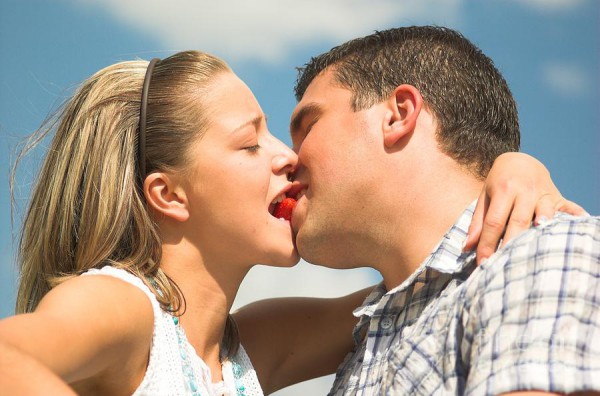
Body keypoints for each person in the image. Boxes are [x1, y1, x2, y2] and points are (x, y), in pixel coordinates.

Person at [0, 49, 583, 395]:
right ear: (169, 194)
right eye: (249, 143)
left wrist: (508, 167)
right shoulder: (121, 305)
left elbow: (425, 277)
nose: (287, 155)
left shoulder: (248, 346)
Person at [276, 26, 600, 395]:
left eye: (308, 126)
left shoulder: (542, 253)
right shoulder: (369, 337)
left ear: (399, 114)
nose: (288, 158)